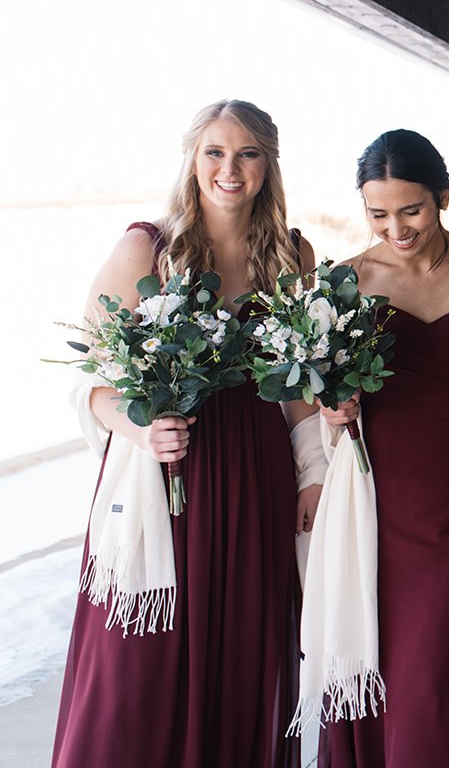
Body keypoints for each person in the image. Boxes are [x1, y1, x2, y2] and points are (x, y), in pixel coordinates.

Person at [54, 99, 317, 768]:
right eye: (215, 152)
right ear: (192, 160)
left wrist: (313, 475)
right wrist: (141, 429)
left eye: (248, 153)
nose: (231, 169)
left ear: (268, 164)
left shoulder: (292, 256)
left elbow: (300, 385)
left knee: (242, 653)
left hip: (254, 474)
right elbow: (91, 381)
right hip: (166, 469)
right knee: (137, 662)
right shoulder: (146, 248)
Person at [316, 129, 449, 767]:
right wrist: (334, 407)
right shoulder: (347, 280)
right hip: (376, 489)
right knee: (380, 644)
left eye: (411, 211)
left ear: (443, 197)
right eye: (378, 214)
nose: (396, 229)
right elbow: (329, 389)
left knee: (435, 656)